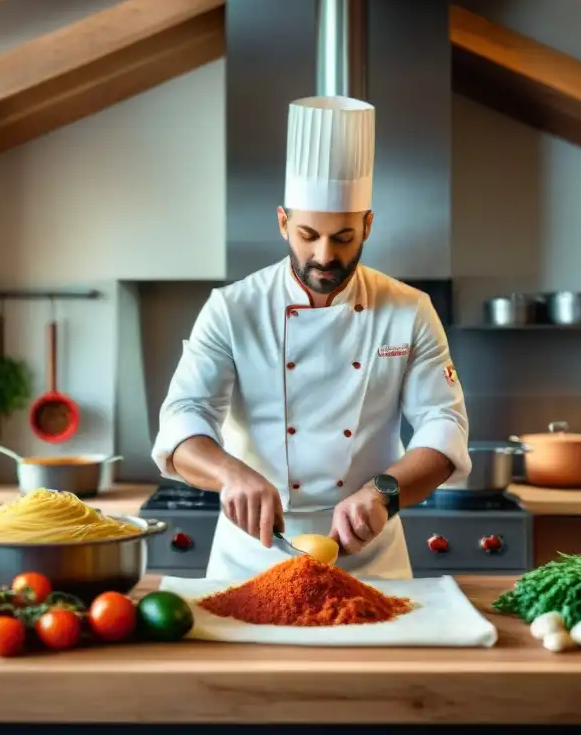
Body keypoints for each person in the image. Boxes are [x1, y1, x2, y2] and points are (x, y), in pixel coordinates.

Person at [151, 95, 470, 580]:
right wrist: (230, 474)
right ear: (282, 223)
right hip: (253, 556)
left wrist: (383, 493)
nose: (324, 255)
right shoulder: (233, 308)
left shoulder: (409, 310)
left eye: (343, 237)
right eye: (307, 234)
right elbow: (182, 418)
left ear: (367, 225)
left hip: (370, 559)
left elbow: (443, 427)